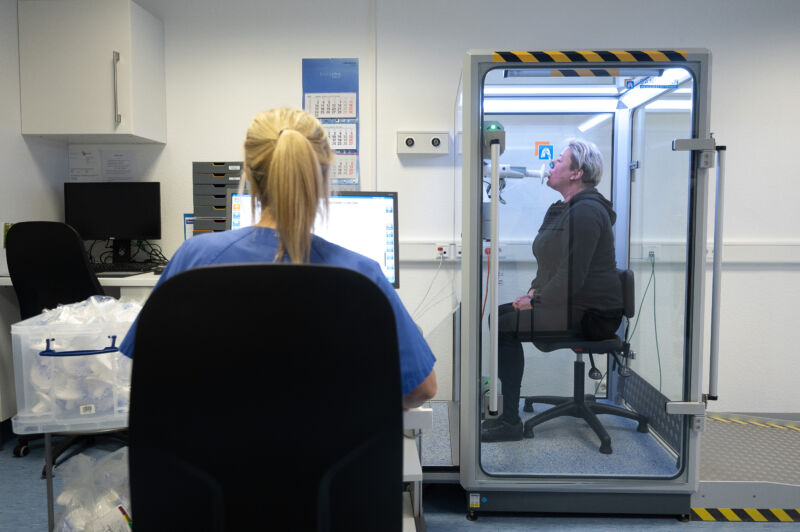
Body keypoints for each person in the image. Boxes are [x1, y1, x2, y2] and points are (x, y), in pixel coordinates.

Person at [119, 108, 436, 408]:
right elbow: (421, 389)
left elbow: (148, 370)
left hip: (211, 463)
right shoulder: (362, 276)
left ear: (249, 174)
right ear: (323, 177)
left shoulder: (194, 259)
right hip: (329, 463)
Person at [481, 138, 622, 442]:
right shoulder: (562, 209)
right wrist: (534, 291)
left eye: (559, 160)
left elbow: (573, 274)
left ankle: (509, 422)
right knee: (499, 316)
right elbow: (549, 265)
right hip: (571, 304)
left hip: (591, 316)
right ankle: (506, 414)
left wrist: (538, 300)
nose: (551, 165)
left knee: (504, 326)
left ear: (576, 173)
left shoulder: (587, 213)